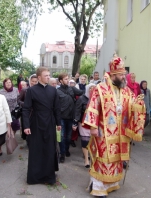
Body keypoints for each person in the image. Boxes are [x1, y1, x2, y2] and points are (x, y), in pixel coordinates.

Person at [83, 55, 145, 197]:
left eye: (125, 75)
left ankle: (111, 183)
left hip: (120, 133)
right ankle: (98, 187)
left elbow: (132, 106)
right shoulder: (100, 88)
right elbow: (93, 106)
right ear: (114, 75)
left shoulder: (127, 91)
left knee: (116, 158)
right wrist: (92, 126)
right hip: (103, 132)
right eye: (122, 75)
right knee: (103, 158)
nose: (125, 77)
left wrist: (138, 105)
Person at [22, 67, 61, 185]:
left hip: (50, 122)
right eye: (46, 76)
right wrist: (26, 126)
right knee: (36, 149)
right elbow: (26, 109)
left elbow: (57, 108)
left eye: (49, 75)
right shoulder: (32, 90)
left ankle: (49, 177)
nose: (49, 77)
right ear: (39, 77)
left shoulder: (53, 90)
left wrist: (59, 123)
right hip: (36, 122)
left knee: (49, 148)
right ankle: (35, 177)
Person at [57, 73, 83, 163]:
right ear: (60, 81)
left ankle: (66, 149)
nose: (67, 80)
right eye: (65, 79)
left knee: (68, 137)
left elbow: (82, 92)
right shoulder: (57, 91)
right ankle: (62, 153)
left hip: (71, 117)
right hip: (61, 118)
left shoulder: (72, 88)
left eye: (68, 79)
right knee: (61, 136)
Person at [72, 83, 96, 168]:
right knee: (85, 141)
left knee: (94, 141)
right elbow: (77, 111)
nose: (92, 90)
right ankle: (86, 159)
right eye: (90, 88)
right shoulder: (82, 99)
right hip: (83, 123)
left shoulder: (97, 99)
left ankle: (92, 157)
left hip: (94, 124)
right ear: (87, 89)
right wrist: (75, 122)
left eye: (94, 88)